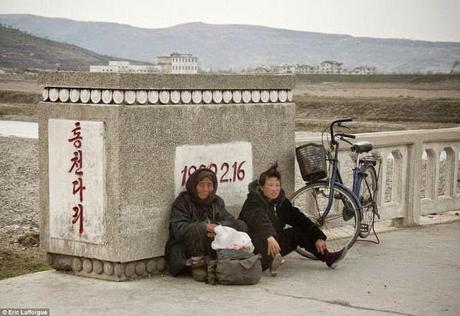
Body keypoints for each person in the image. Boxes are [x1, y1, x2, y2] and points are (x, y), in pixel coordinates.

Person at [238, 163, 347, 276]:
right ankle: (265, 262)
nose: (274, 189)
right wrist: (268, 236)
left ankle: (328, 257)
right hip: (255, 247)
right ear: (261, 187)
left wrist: (318, 237)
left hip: (275, 244)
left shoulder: (281, 202)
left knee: (298, 232)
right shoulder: (254, 200)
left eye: (277, 185)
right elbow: (259, 218)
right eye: (270, 185)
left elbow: (299, 218)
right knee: (262, 236)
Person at [165, 168, 247, 282]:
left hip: (211, 244)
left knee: (240, 225)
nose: (205, 189)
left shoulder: (216, 201)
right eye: (201, 185)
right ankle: (198, 266)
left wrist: (216, 227)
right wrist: (205, 227)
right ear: (194, 185)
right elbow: (178, 230)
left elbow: (230, 220)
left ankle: (233, 261)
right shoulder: (182, 202)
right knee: (197, 228)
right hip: (186, 249)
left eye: (209, 185)